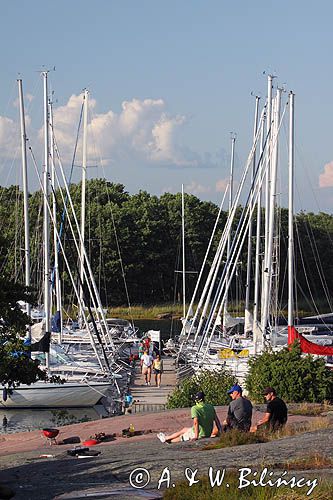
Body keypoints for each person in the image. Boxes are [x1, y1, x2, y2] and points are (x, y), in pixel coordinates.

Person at [157, 391, 222, 443]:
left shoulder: (195, 408)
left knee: (181, 438)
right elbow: (217, 421)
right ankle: (166, 437)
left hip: (198, 434)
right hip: (208, 433)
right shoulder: (210, 407)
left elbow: (196, 422)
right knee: (184, 429)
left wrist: (196, 437)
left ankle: (167, 440)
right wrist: (221, 432)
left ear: (196, 400)